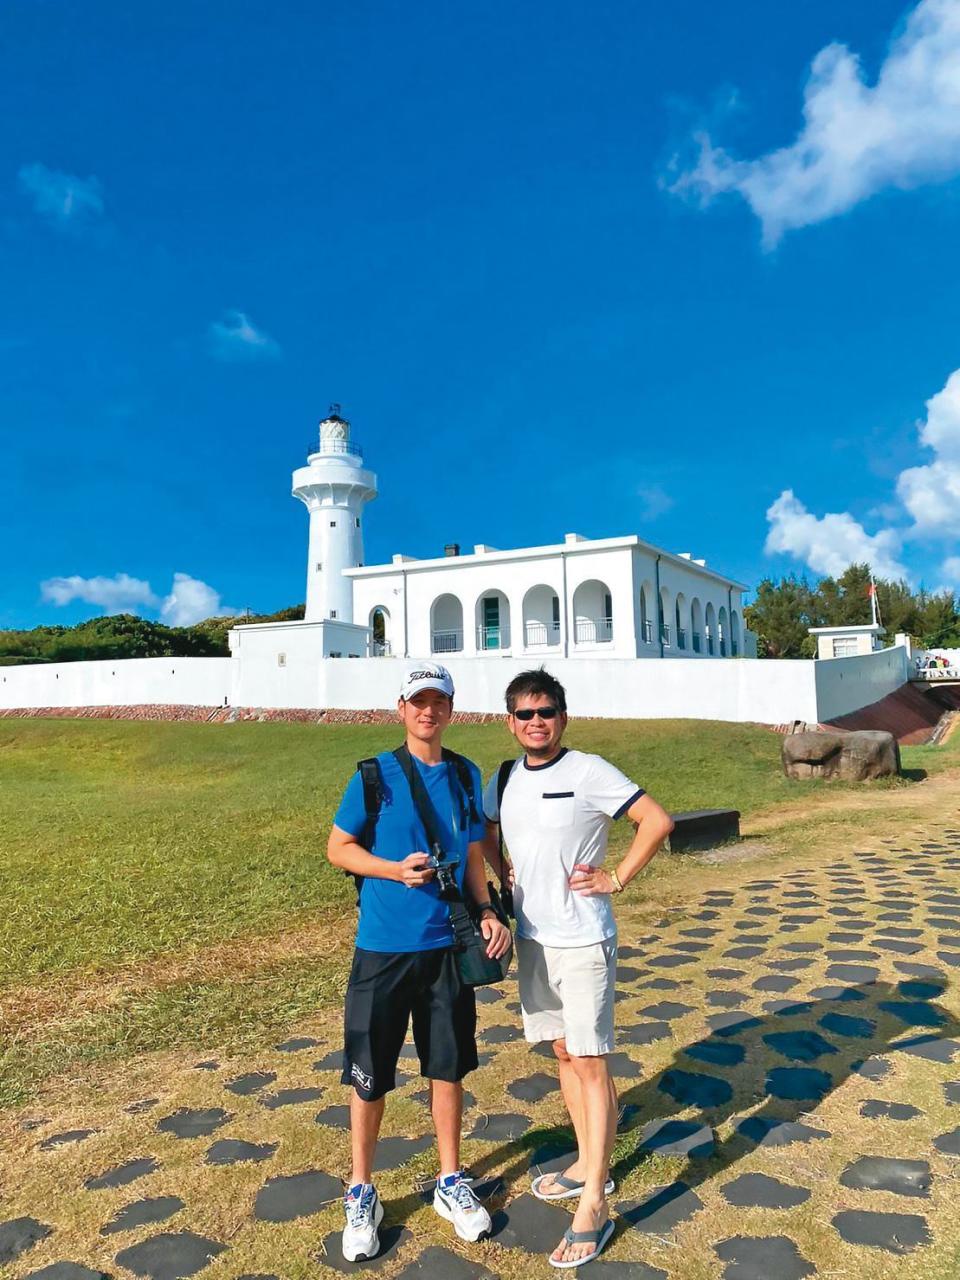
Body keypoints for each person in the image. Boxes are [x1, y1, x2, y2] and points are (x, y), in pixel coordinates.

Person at [483, 668, 673, 1269]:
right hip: (533, 938)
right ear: (509, 721)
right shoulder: (506, 776)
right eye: (524, 714)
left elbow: (657, 821)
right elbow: (489, 832)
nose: (535, 722)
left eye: (545, 712)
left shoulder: (588, 769)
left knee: (591, 1062)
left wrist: (616, 877)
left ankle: (594, 1200)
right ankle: (591, 1163)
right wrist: (504, 867)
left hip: (583, 940)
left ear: (562, 716)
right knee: (564, 1052)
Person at [327, 662, 511, 1263]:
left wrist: (486, 911)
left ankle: (450, 1180)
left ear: (450, 710)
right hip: (383, 946)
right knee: (371, 1070)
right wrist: (392, 869)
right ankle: (362, 1190)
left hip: (444, 948)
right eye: (417, 701)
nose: (428, 711)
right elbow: (339, 848)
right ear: (400, 709)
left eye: (438, 701)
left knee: (447, 1066)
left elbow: (474, 853)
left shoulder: (463, 774)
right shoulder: (374, 774)